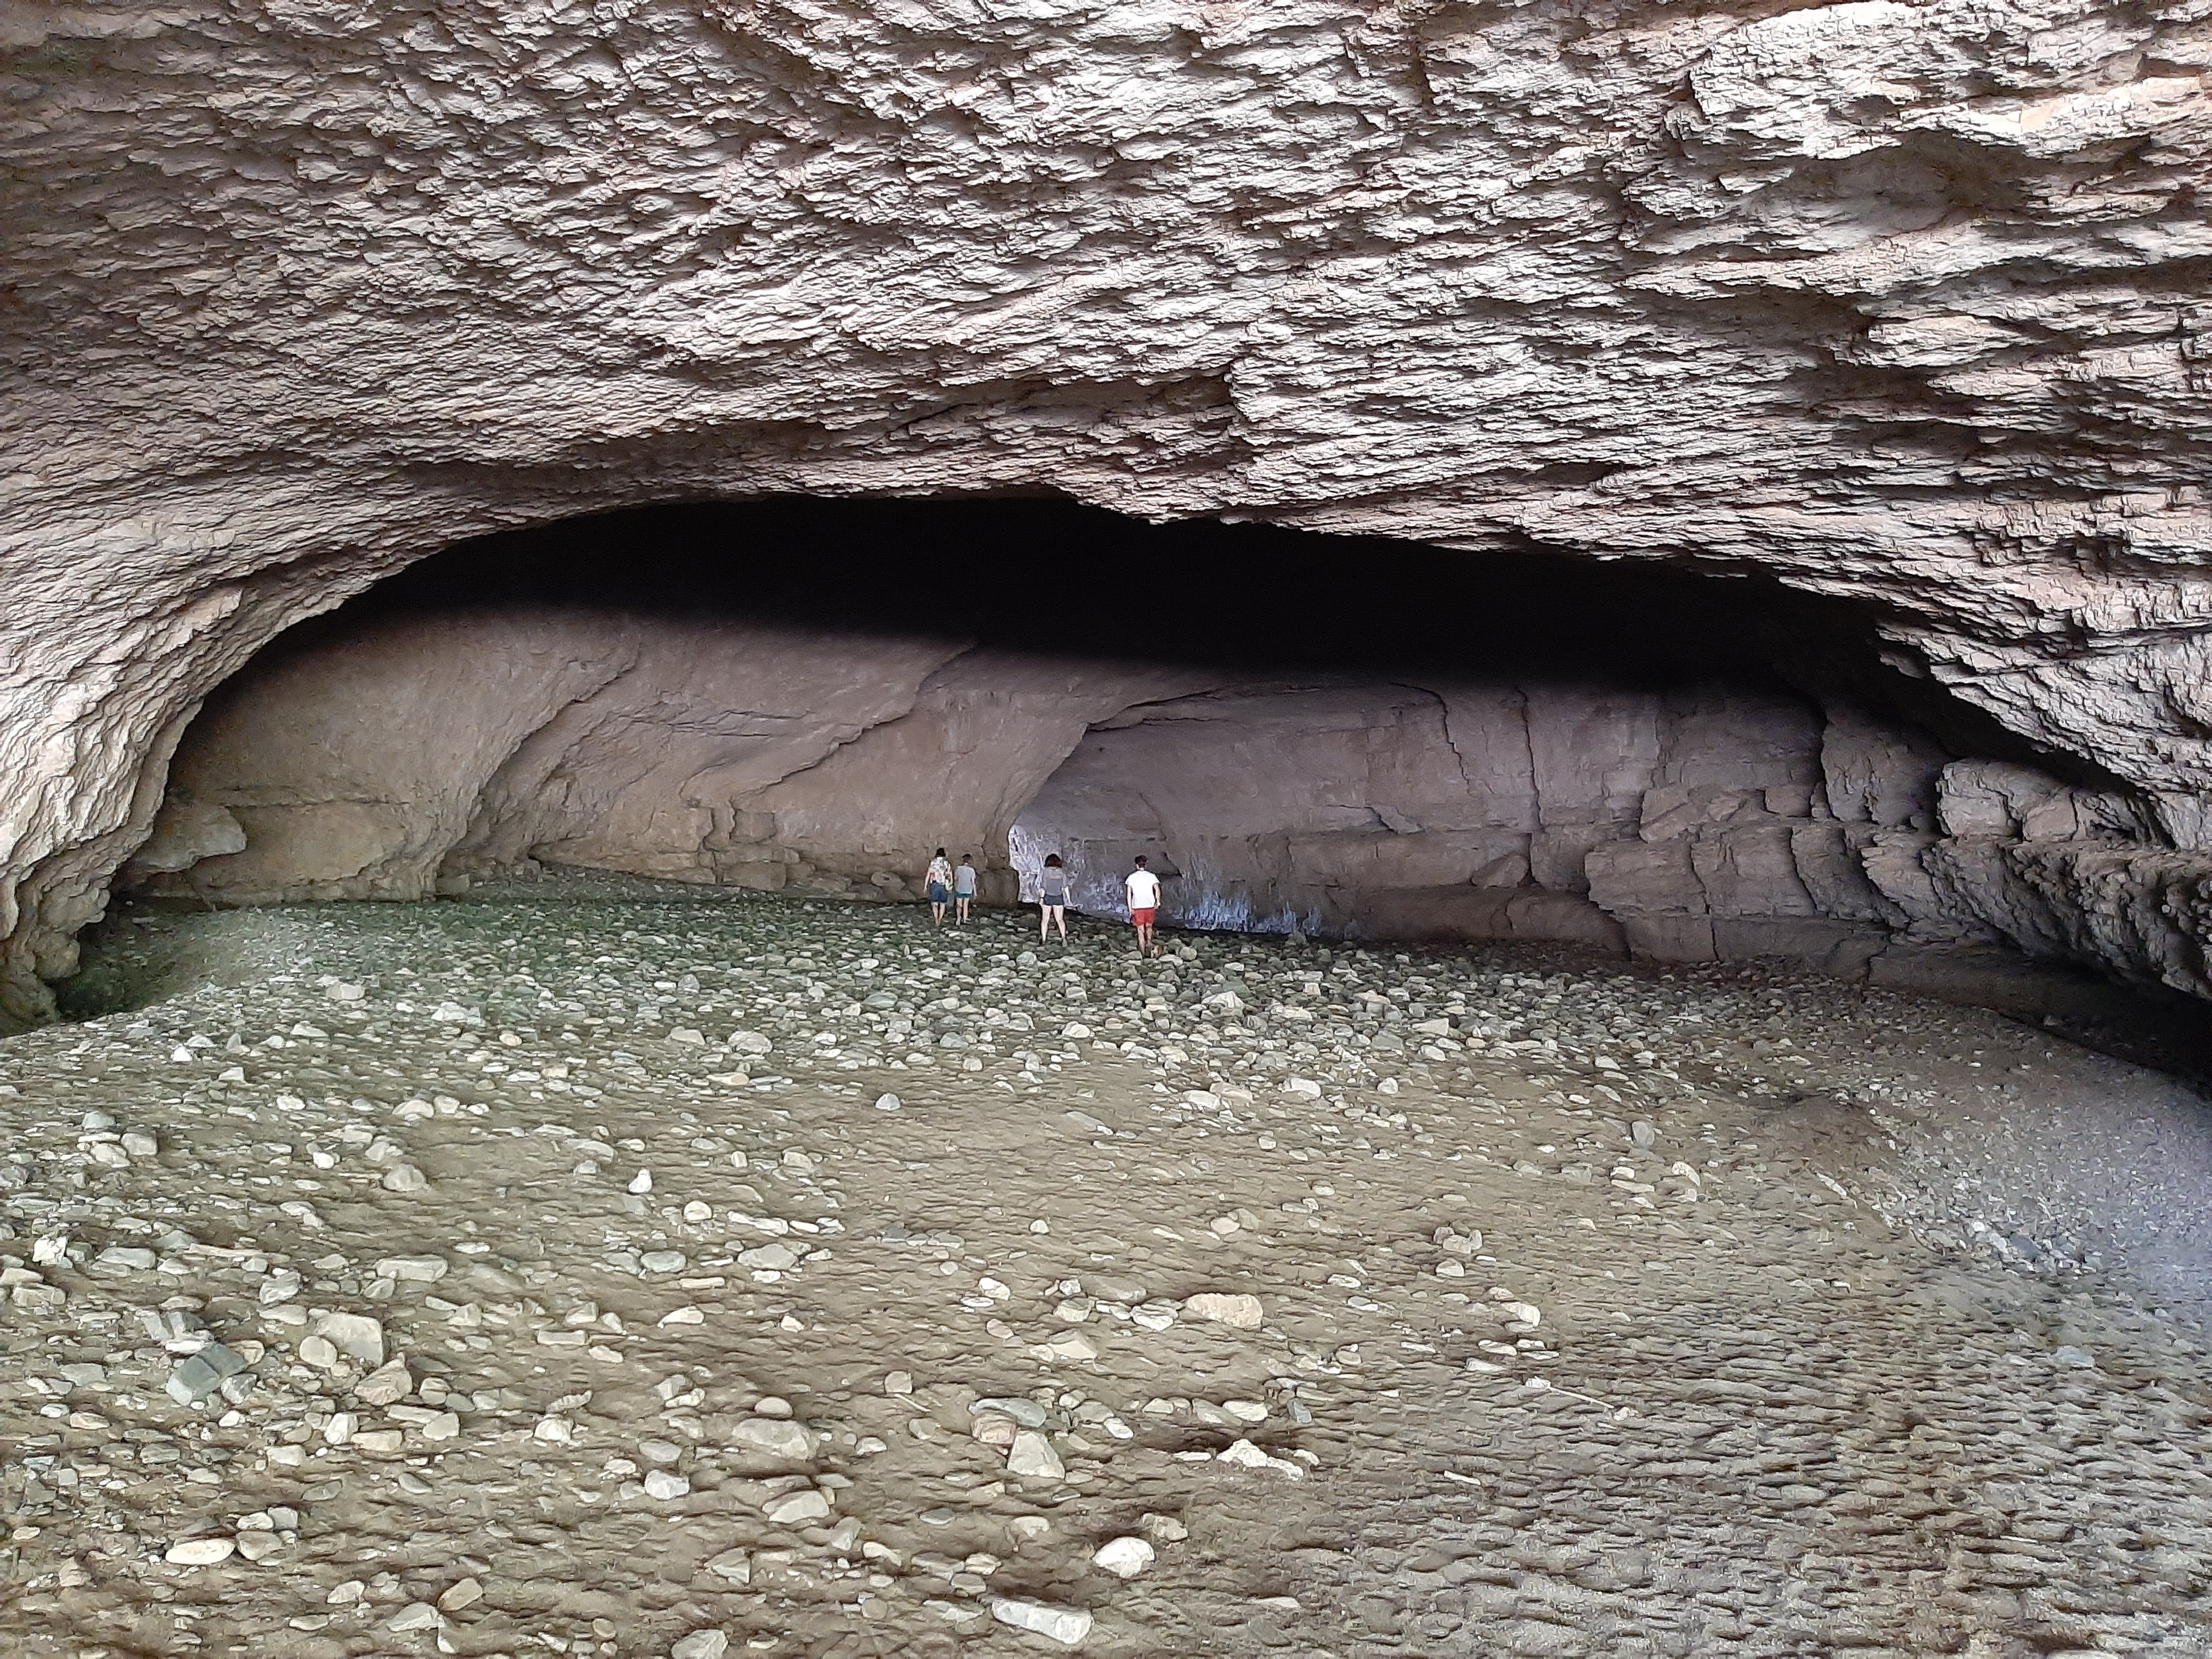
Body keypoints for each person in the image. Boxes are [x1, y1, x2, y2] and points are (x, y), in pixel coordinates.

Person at [1125, 855, 1163, 957]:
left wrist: (1130, 908)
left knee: (1140, 929)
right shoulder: (1152, 876)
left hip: (1138, 907)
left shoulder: (1131, 878)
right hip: (1150, 906)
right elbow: (1157, 890)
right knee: (1149, 926)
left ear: (1137, 865)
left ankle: (1143, 953)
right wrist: (1158, 902)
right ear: (1145, 865)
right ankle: (1149, 943)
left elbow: (1129, 895)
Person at [1039, 853, 1070, 944]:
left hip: (1048, 897)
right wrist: (1068, 899)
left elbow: (1043, 887)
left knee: (1045, 920)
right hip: (1058, 897)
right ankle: (1064, 938)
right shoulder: (1062, 872)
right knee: (1060, 920)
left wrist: (1041, 898)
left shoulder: (1046, 872)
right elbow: (1066, 887)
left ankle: (1044, 939)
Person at [924, 848, 953, 926]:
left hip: (934, 885)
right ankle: (940, 919)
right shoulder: (947, 863)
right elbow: (950, 875)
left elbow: (928, 875)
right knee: (943, 904)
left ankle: (936, 919)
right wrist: (951, 884)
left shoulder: (933, 863)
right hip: (944, 885)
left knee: (935, 904)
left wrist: (925, 886)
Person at [953, 854, 979, 924]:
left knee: (959, 905)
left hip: (959, 888)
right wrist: (975, 893)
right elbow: (973, 882)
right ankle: (965, 918)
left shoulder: (958, 868)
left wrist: (955, 885)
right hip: (968, 890)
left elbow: (955, 879)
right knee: (966, 905)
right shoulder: (972, 870)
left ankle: (958, 918)